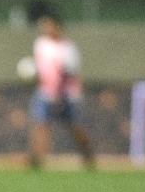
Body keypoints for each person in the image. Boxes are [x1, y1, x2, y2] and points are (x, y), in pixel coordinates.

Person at [28, 14, 95, 169]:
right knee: (41, 124)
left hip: (66, 95)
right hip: (45, 93)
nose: (46, 29)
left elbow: (67, 74)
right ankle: (36, 159)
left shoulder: (68, 48)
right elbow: (40, 69)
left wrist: (58, 95)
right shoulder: (41, 44)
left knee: (74, 127)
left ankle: (88, 155)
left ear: (58, 27)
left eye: (49, 25)